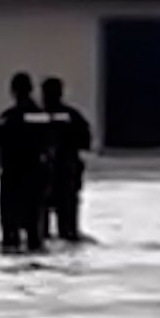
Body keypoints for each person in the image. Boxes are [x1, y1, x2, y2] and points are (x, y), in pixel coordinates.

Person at [0, 71, 51, 253]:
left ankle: (11, 269)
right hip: (34, 178)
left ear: (12, 91)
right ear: (30, 90)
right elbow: (50, 150)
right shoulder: (42, 118)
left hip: (12, 179)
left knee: (9, 233)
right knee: (34, 232)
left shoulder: (6, 118)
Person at [41, 76, 93, 243]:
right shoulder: (72, 117)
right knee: (68, 229)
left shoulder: (37, 117)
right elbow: (87, 143)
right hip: (63, 175)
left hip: (49, 176)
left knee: (42, 229)